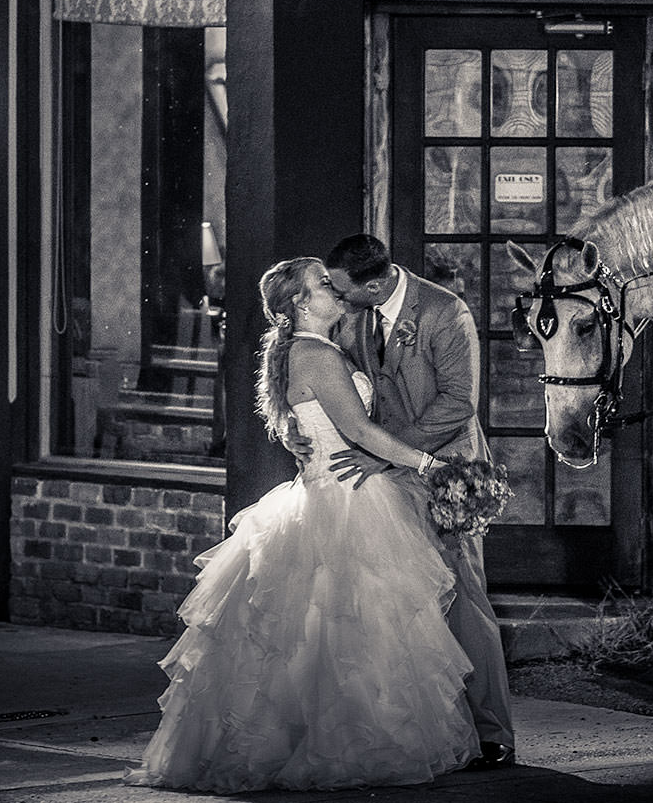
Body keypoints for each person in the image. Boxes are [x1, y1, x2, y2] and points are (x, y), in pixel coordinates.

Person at [126, 258, 477, 793]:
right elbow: (359, 430)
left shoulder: (314, 349)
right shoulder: (315, 354)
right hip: (342, 501)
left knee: (328, 635)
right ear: (300, 303)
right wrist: (430, 464)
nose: (334, 288)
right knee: (341, 631)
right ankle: (343, 747)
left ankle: (334, 741)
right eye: (322, 284)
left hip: (335, 490)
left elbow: (314, 423)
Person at [318, 233, 518, 770]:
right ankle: (436, 728)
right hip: (387, 475)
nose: (335, 298)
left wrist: (391, 456)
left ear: (377, 284)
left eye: (342, 290)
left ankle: (493, 732)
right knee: (407, 600)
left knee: (465, 598)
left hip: (448, 472)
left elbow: (458, 402)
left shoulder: (444, 312)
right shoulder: (355, 314)